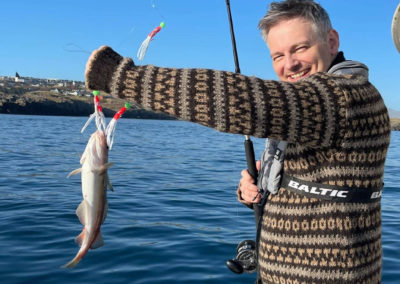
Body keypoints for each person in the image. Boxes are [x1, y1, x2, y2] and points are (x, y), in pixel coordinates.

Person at [84, 1, 390, 283]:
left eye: (300, 48)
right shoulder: (312, 111)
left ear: (332, 41)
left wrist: (119, 77)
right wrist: (256, 190)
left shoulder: (346, 96)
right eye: (278, 56)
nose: (290, 64)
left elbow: (239, 101)